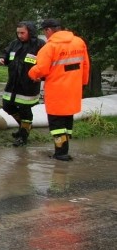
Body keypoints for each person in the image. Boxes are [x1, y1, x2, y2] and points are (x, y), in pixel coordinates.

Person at [28, 18, 90, 161]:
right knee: (67, 120)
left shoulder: (49, 48)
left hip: (56, 91)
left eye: (45, 31)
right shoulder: (79, 42)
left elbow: (41, 69)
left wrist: (31, 73)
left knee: (56, 124)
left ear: (48, 30)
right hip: (73, 89)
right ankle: (64, 149)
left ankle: (61, 153)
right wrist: (83, 83)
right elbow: (85, 65)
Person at [0, 21, 45, 146]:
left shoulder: (39, 45)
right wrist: (1, 59)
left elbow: (46, 63)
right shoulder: (14, 44)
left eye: (22, 33)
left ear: (31, 32)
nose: (20, 35)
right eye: (18, 33)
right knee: (7, 106)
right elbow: (6, 54)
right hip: (12, 84)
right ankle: (24, 127)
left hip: (28, 84)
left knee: (25, 110)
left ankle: (23, 136)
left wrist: (42, 76)